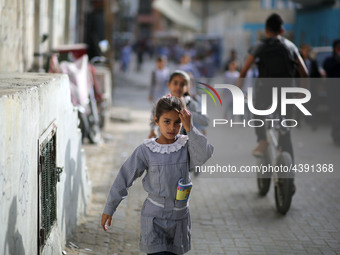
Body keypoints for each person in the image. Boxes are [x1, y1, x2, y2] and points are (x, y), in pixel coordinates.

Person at [101, 96, 214, 255]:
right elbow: (124, 177)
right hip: (154, 220)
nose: (172, 127)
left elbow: (205, 154)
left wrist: (190, 128)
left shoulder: (186, 145)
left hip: (179, 221)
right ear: (156, 120)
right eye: (166, 121)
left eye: (177, 123)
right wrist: (109, 208)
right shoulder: (147, 150)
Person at [238, 13, 308, 159]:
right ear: (282, 30)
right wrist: (302, 93)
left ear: (266, 30)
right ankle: (290, 179)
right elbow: (305, 72)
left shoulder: (260, 46)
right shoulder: (291, 46)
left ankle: (262, 140)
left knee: (258, 115)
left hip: (265, 92)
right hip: (287, 94)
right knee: (285, 134)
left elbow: (244, 70)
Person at [148, 70, 209, 138]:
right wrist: (153, 130)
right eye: (175, 83)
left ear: (188, 87)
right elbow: (154, 119)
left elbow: (206, 120)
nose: (178, 87)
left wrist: (187, 113)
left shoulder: (193, 102)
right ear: (169, 84)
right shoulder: (161, 103)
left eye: (182, 84)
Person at [323, 39, 340, 146]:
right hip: (333, 92)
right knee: (335, 115)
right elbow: (328, 70)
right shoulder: (329, 60)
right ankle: (336, 135)